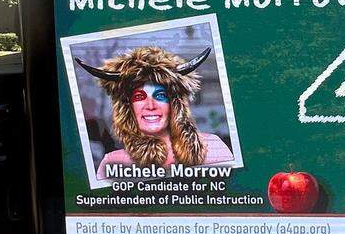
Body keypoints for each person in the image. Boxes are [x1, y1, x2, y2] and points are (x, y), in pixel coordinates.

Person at [74, 45, 233, 168]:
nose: (150, 105)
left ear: (174, 104)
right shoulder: (113, 162)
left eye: (160, 95)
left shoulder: (213, 148)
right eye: (139, 97)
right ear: (128, 108)